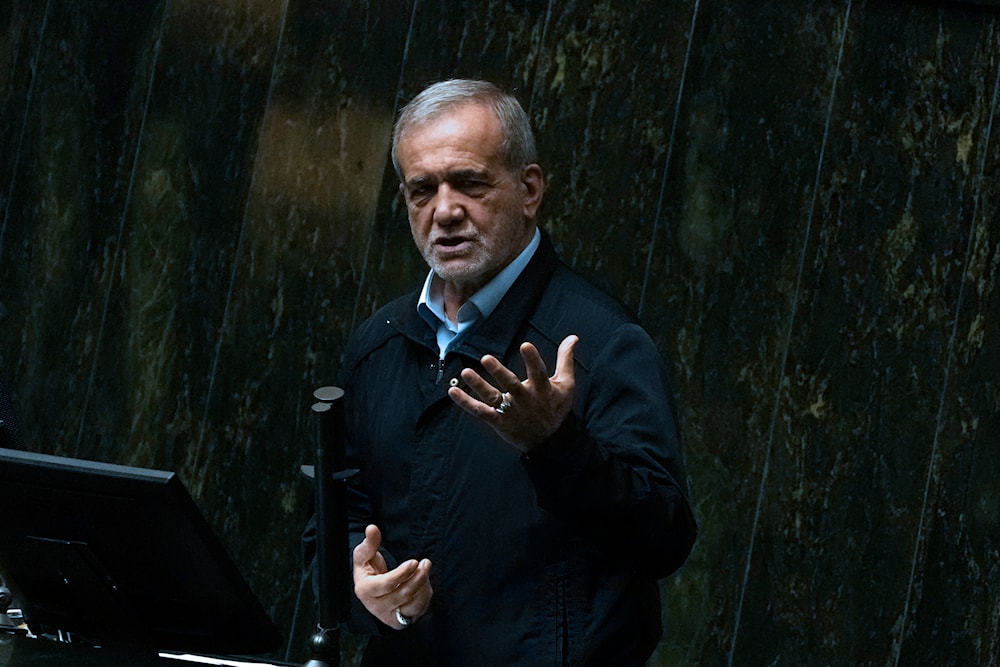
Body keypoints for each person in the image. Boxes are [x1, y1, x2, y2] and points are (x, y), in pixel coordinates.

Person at [312, 79, 697, 666]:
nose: (445, 211)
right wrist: (361, 585)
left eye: (469, 183)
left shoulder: (599, 341)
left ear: (529, 190)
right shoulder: (379, 344)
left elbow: (665, 537)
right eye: (423, 190)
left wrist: (556, 445)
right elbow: (334, 521)